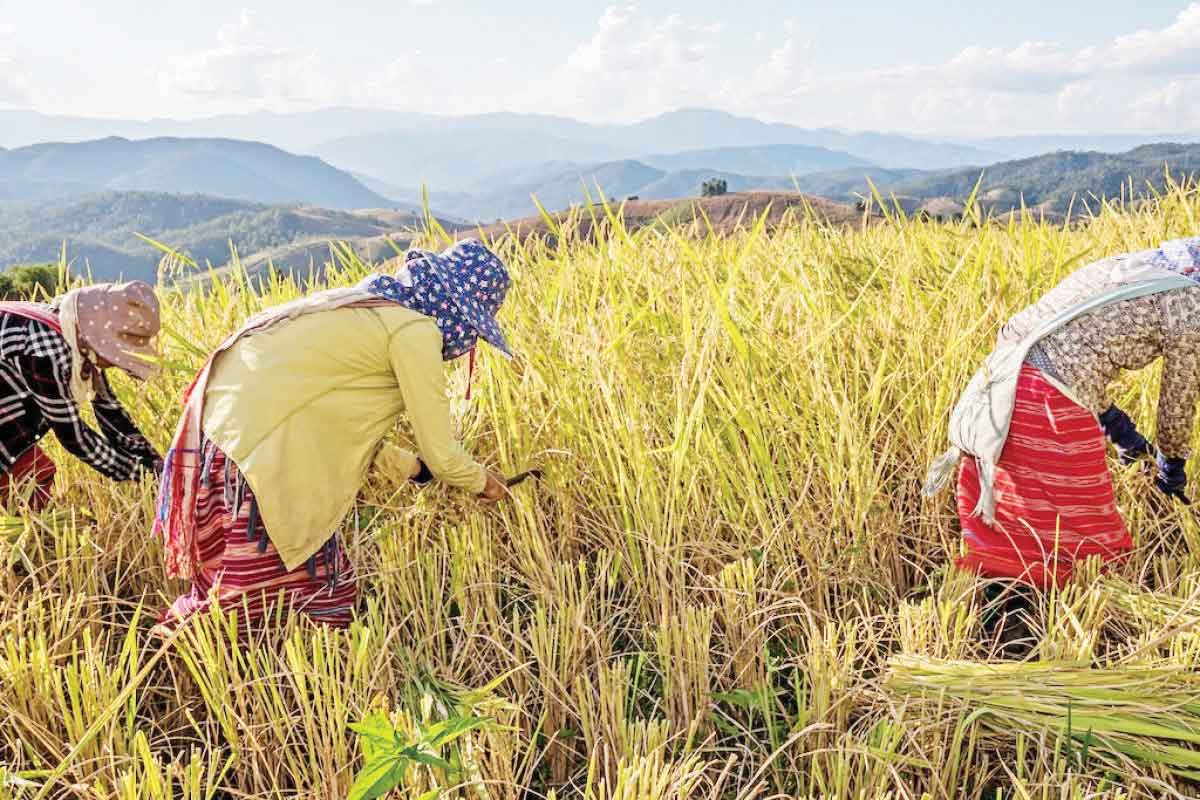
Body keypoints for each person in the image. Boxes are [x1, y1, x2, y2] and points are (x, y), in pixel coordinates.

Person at [154, 239, 512, 634]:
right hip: (261, 457)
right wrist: (484, 483)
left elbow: (336, 421)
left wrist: (415, 471)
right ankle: (174, 652)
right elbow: (442, 451)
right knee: (248, 600)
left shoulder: (365, 307)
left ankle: (271, 673)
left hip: (221, 438)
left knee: (293, 587)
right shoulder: (414, 330)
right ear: (458, 311)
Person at [924, 236, 1200, 588]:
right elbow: (1179, 400)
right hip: (1042, 406)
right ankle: (1039, 615)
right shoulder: (1190, 302)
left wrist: (1116, 427)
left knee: (1013, 533)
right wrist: (1171, 467)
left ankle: (1002, 605)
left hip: (997, 385)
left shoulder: (1133, 267)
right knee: (1083, 545)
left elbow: (1070, 352)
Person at [0, 282, 161, 510]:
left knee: (30, 477)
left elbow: (110, 411)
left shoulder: (77, 333)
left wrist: (154, 462)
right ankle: (38, 539)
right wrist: (140, 474)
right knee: (28, 479)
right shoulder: (43, 352)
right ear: (97, 339)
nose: (115, 362)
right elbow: (74, 437)